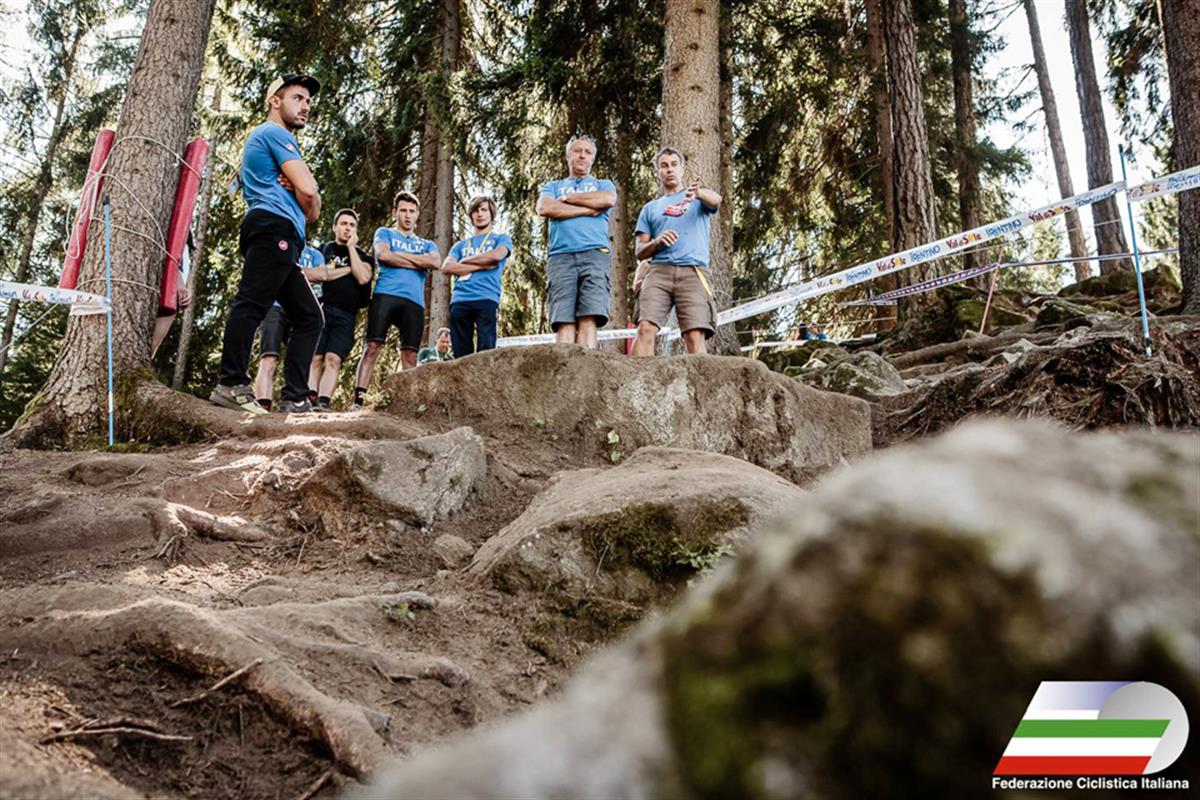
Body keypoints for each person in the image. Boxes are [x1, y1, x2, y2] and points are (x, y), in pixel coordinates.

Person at [210, 74, 323, 414]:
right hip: (273, 227)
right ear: (275, 101)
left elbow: (312, 210)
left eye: (308, 101)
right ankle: (231, 384)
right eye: (298, 98)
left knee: (309, 317)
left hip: (283, 234)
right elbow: (310, 193)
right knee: (252, 303)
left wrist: (305, 191)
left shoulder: (277, 140)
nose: (305, 106)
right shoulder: (273, 133)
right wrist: (305, 189)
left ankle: (295, 398)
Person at [631, 147, 722, 357]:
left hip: (693, 271)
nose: (669, 169)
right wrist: (657, 242)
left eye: (674, 164)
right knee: (645, 328)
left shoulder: (698, 200)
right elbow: (640, 251)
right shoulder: (650, 208)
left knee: (694, 335)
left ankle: (699, 379)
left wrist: (698, 193)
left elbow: (716, 200)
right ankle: (641, 377)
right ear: (658, 172)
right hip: (659, 271)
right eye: (664, 165)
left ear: (682, 169)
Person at [353, 191, 440, 405]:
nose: (407, 215)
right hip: (386, 295)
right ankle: (358, 400)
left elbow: (435, 262)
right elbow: (383, 255)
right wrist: (417, 261)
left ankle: (407, 403)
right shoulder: (385, 233)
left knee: (410, 355)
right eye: (403, 211)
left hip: (414, 302)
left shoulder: (427, 244)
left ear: (417, 214)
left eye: (412, 211)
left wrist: (398, 257)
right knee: (372, 347)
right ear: (395, 212)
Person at [535, 134, 617, 349]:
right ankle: (564, 367)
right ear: (568, 156)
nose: (582, 155)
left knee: (589, 317)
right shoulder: (553, 186)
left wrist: (567, 199)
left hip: (595, 254)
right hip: (560, 256)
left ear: (593, 159)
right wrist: (588, 210)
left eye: (588, 152)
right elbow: (545, 207)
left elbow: (607, 199)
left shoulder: (603, 184)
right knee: (564, 320)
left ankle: (587, 366)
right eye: (577, 151)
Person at [252, 242, 330, 410]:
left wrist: (290, 272)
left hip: (299, 311)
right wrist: (303, 275)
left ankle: (297, 399)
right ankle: (262, 407)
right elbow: (276, 268)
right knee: (269, 358)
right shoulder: (283, 245)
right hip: (274, 307)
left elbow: (322, 275)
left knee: (304, 357)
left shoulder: (315, 254)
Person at [312, 208, 374, 408]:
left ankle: (323, 402)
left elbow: (363, 277)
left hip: (346, 314)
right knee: (315, 357)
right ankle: (309, 400)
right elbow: (318, 274)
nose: (348, 228)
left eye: (352, 225)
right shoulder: (323, 250)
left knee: (333, 358)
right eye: (344, 224)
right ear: (334, 227)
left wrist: (351, 248)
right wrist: (348, 270)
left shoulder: (364, 257)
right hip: (320, 309)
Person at [441, 195, 511, 357]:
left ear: (492, 214)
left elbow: (496, 256)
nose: (479, 214)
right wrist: (482, 265)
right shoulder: (460, 245)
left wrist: (465, 261)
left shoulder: (500, 238)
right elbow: (447, 267)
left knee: (486, 351)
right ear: (471, 215)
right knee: (460, 354)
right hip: (460, 299)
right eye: (475, 211)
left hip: (486, 297)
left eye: (484, 210)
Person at [151, 236, 192, 358]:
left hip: (176, 293)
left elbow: (187, 260)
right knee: (150, 342)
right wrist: (177, 279)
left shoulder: (188, 234)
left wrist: (188, 287)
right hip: (166, 285)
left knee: (153, 345)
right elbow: (167, 247)